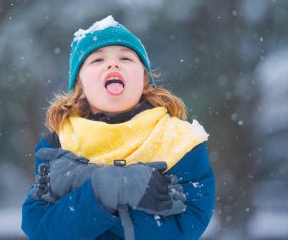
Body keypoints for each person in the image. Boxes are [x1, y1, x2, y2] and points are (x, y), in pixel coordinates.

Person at [21, 15, 215, 240]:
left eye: (125, 58)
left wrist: (85, 191)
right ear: (80, 86)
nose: (113, 64)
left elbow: (187, 225)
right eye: (97, 60)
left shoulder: (179, 141)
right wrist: (102, 191)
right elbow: (41, 230)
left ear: (144, 80)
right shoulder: (58, 144)